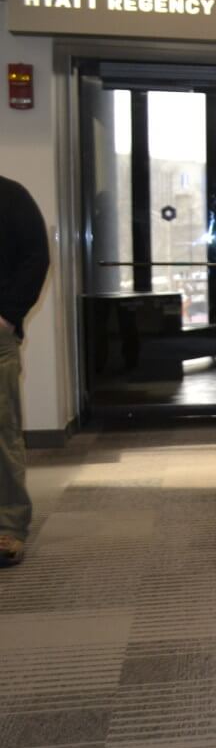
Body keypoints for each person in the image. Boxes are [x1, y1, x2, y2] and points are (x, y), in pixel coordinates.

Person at [0, 176, 50, 569]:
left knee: (2, 433)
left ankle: (8, 527)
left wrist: (7, 316)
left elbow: (36, 256)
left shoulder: (10, 195)